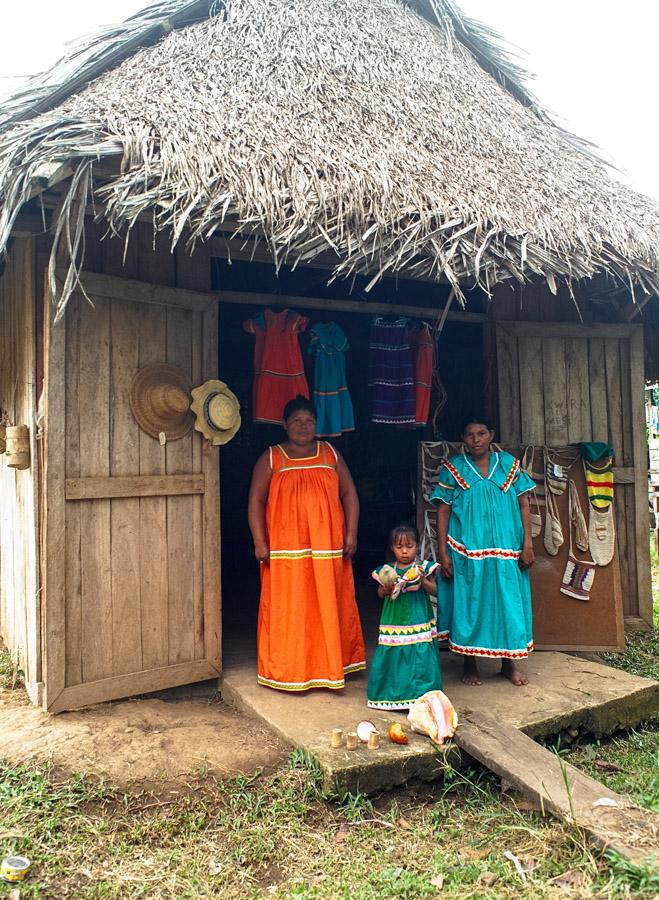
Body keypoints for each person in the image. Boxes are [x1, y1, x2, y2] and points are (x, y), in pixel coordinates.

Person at [247, 395, 366, 691]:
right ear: (285, 425)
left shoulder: (330, 454)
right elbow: (256, 500)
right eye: (297, 421)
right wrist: (260, 542)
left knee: (328, 604)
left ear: (317, 424)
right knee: (290, 609)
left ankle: (329, 668)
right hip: (287, 551)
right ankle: (290, 671)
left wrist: (351, 533)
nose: (303, 426)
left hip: (327, 548)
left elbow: (349, 494)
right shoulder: (272, 457)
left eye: (309, 421)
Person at [431, 416, 535, 686]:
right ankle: (470, 663)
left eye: (481, 433)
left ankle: (508, 665)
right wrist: (443, 553)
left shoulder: (509, 466)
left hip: (506, 551)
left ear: (491, 434)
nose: (475, 439)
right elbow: (443, 510)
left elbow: (524, 505)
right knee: (470, 605)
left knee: (506, 604)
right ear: (463, 439)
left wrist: (528, 544)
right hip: (466, 551)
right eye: (469, 434)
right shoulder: (453, 468)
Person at [367, 523, 443, 710]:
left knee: (419, 654)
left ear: (417, 546)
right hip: (394, 619)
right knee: (394, 653)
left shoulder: (424, 568)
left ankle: (421, 695)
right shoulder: (386, 570)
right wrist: (387, 586)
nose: (404, 551)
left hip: (418, 617)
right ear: (392, 548)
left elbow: (436, 591)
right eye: (399, 547)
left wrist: (423, 580)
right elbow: (379, 593)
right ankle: (392, 695)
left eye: (409, 546)